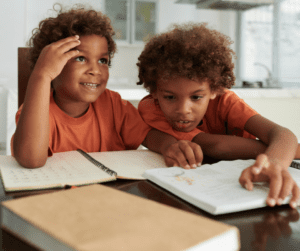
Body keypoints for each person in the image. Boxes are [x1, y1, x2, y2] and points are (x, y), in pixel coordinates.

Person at [11, 4, 203, 170]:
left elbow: (148, 135)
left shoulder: (113, 105)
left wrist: (170, 146)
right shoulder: (36, 112)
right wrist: (41, 75)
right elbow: (31, 159)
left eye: (103, 60)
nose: (95, 70)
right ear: (53, 65)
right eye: (80, 58)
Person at [137, 22, 300, 208]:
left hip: (246, 184)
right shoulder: (151, 107)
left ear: (215, 89)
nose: (183, 109)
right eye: (169, 97)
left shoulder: (226, 101)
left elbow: (282, 134)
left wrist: (274, 162)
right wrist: (280, 149)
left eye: (196, 97)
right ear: (154, 91)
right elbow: (216, 146)